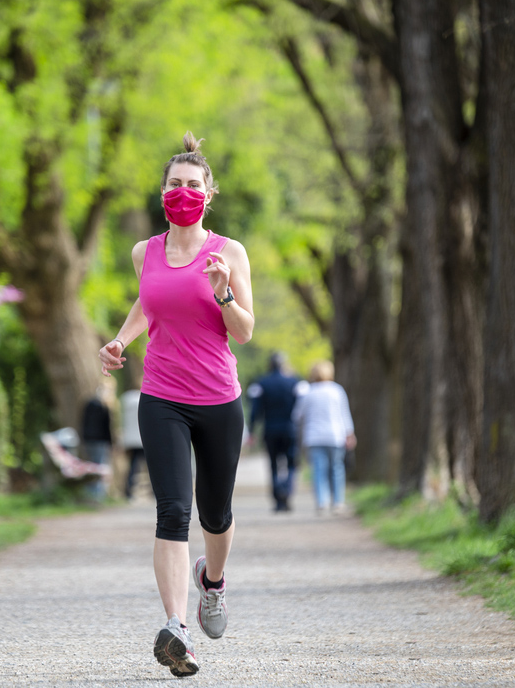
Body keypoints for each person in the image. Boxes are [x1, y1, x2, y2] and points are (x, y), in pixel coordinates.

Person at [98, 131, 254, 678]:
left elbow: (246, 331)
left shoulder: (228, 252)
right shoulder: (146, 251)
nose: (182, 191)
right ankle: (175, 628)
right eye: (174, 184)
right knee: (172, 511)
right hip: (161, 395)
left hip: (218, 398)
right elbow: (148, 302)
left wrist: (223, 293)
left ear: (208, 194)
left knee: (216, 511)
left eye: (193, 185)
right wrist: (121, 340)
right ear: (162, 191)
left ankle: (212, 582)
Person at [292, 360, 356, 515]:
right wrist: (350, 433)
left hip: (314, 437)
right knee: (337, 468)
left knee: (319, 470)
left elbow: (297, 415)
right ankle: (338, 502)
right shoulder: (337, 390)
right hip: (335, 435)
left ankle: (322, 502)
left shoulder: (308, 392)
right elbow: (344, 414)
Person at [247, 352, 308, 512]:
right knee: (291, 464)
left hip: (270, 429)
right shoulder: (294, 382)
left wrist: (252, 430)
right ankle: (286, 491)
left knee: (273, 465)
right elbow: (301, 408)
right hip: (290, 430)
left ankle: (277, 499)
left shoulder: (262, 383)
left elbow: (256, 409)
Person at [80, 382, 114, 501]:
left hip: (89, 439)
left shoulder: (90, 404)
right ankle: (97, 495)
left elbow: (83, 423)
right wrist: (111, 443)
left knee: (92, 466)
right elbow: (106, 428)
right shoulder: (103, 406)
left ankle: (92, 494)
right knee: (99, 467)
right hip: (100, 440)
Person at [119, 378, 148, 500]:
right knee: (152, 467)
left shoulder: (125, 399)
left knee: (133, 466)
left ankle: (128, 492)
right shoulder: (145, 397)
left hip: (130, 439)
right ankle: (155, 492)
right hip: (143, 438)